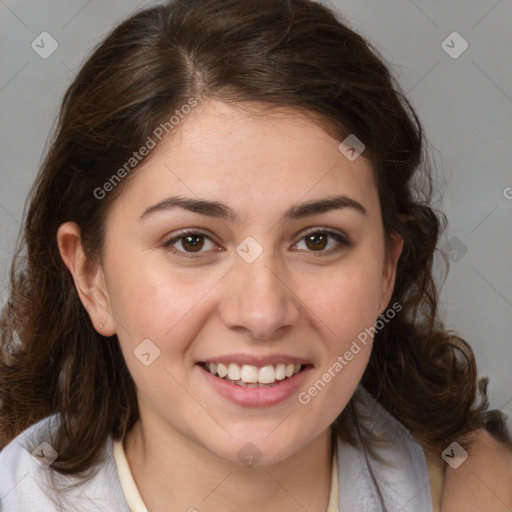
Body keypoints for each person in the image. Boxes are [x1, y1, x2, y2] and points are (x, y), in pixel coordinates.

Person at [0, 0, 511, 510]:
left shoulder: (478, 488)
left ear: (385, 271)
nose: (262, 314)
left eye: (318, 240)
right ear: (92, 278)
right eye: (192, 241)